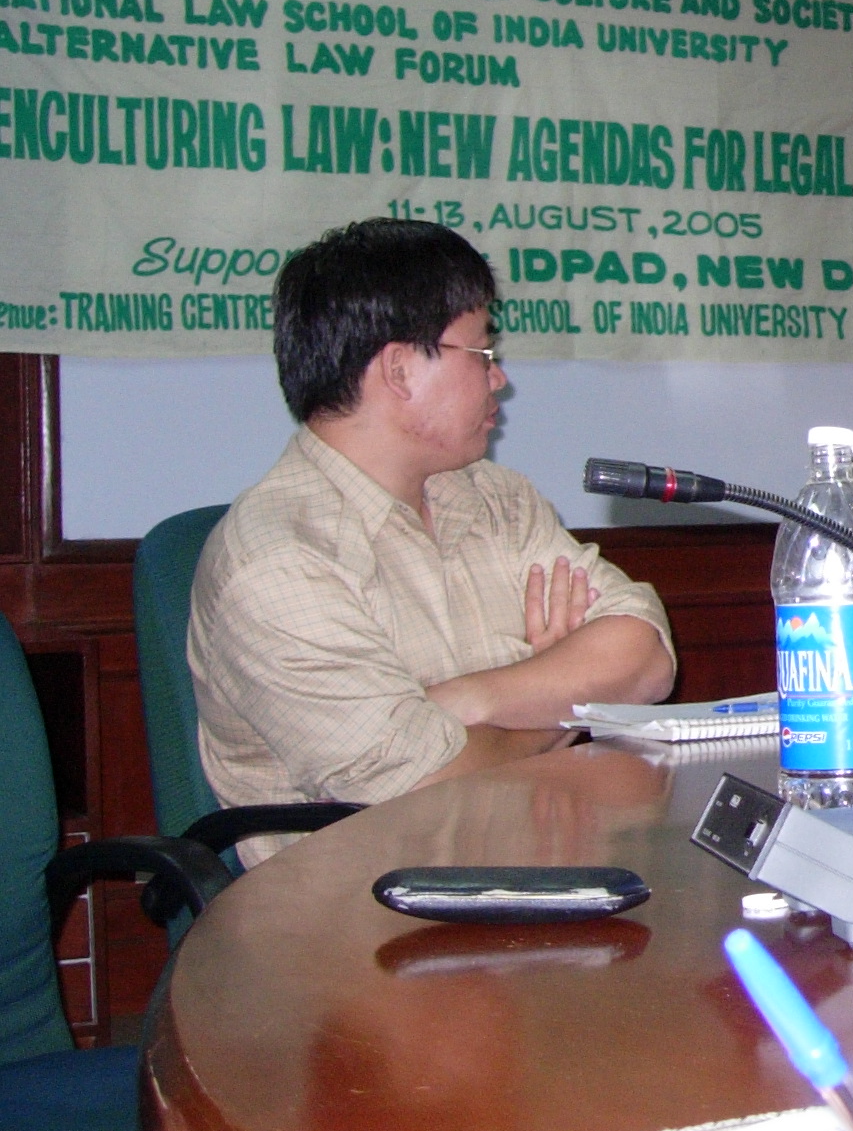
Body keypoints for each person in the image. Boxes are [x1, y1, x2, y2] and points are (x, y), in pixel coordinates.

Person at [191, 221, 674, 861]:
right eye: (483, 355)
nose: (499, 380)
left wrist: (473, 699)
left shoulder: (496, 499)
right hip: (354, 928)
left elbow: (644, 656)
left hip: (532, 878)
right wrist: (559, 702)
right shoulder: (277, 562)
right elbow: (420, 785)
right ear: (398, 369)